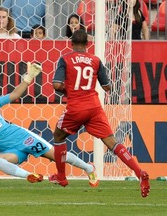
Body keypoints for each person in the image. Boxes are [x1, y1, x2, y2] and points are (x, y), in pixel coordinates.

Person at [50, 29, 150, 198]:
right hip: (94, 107)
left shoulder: (65, 59)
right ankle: (139, 172)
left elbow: (56, 85)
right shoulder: (95, 60)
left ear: (72, 43)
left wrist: (70, 90)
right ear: (88, 45)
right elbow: (107, 87)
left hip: (76, 107)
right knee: (112, 142)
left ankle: (61, 176)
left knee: (58, 136)